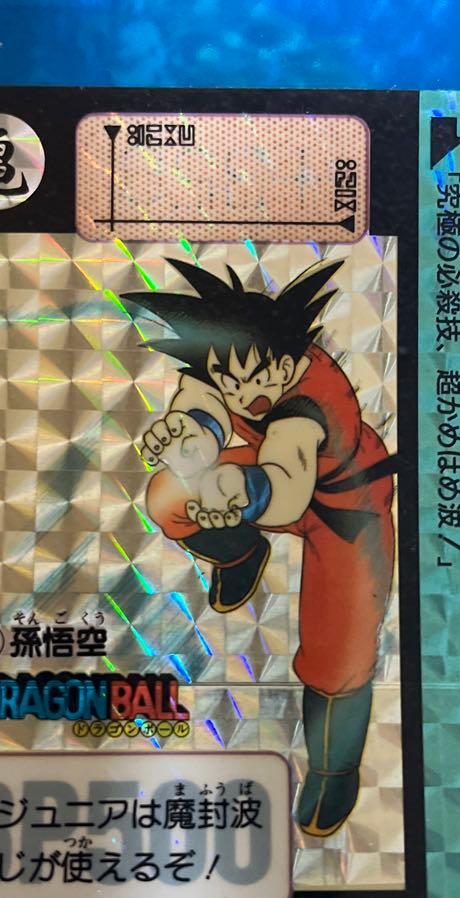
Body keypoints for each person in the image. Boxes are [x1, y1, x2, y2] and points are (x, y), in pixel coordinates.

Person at [124, 259, 396, 836]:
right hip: (258, 482)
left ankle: (335, 768)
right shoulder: (218, 366)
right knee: (168, 497)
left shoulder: (312, 399)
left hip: (346, 509)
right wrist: (187, 439)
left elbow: (289, 485)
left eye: (260, 381)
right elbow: (201, 412)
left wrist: (243, 491)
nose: (245, 396)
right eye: (231, 382)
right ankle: (240, 553)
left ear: (291, 365)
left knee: (340, 655)